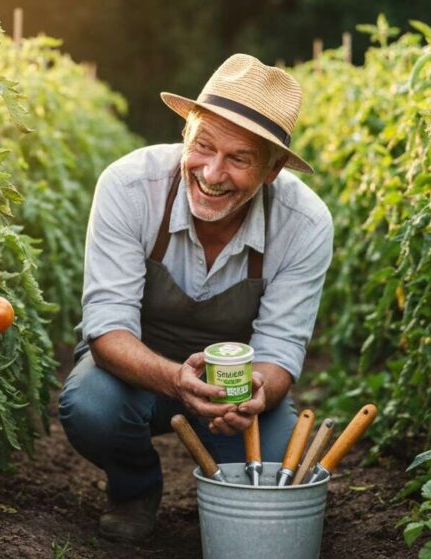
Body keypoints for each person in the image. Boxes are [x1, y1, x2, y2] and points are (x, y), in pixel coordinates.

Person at [59, 53, 334, 543]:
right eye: (203, 145)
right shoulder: (129, 186)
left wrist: (254, 394)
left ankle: (230, 507)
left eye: (240, 159)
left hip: (231, 391)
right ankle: (135, 487)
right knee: (91, 405)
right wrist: (176, 381)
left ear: (272, 172)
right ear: (185, 136)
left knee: (273, 466)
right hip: (132, 374)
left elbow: (280, 353)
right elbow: (107, 330)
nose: (212, 172)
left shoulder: (304, 223)